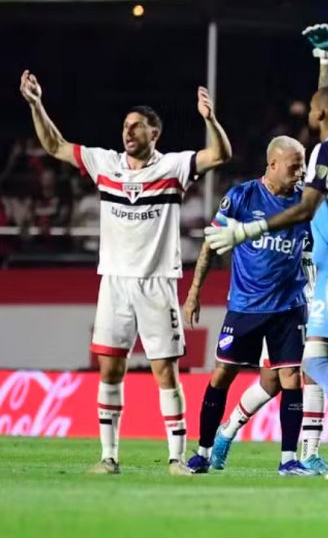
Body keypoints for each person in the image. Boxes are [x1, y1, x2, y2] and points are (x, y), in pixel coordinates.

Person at [205, 23, 328, 480]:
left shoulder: (325, 156)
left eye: (313, 106)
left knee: (314, 362)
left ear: (320, 115)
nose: (309, 106)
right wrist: (326, 59)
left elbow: (306, 209)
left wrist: (244, 232)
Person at [19, 71, 232, 475]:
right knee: (110, 367)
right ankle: (109, 457)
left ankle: (175, 458)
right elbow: (55, 145)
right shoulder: (106, 164)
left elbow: (219, 155)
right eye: (124, 126)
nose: (128, 132)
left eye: (136, 126)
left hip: (157, 283)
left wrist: (210, 120)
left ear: (155, 131)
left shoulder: (172, 167)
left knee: (164, 371)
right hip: (114, 282)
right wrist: (36, 104)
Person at [183, 136, 318, 476]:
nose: (300, 172)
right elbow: (211, 244)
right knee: (222, 374)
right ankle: (203, 450)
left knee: (290, 378)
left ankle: (289, 460)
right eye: (294, 166)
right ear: (272, 164)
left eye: (302, 165)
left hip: (289, 306)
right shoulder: (242, 197)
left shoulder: (304, 203)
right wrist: (194, 291)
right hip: (245, 306)